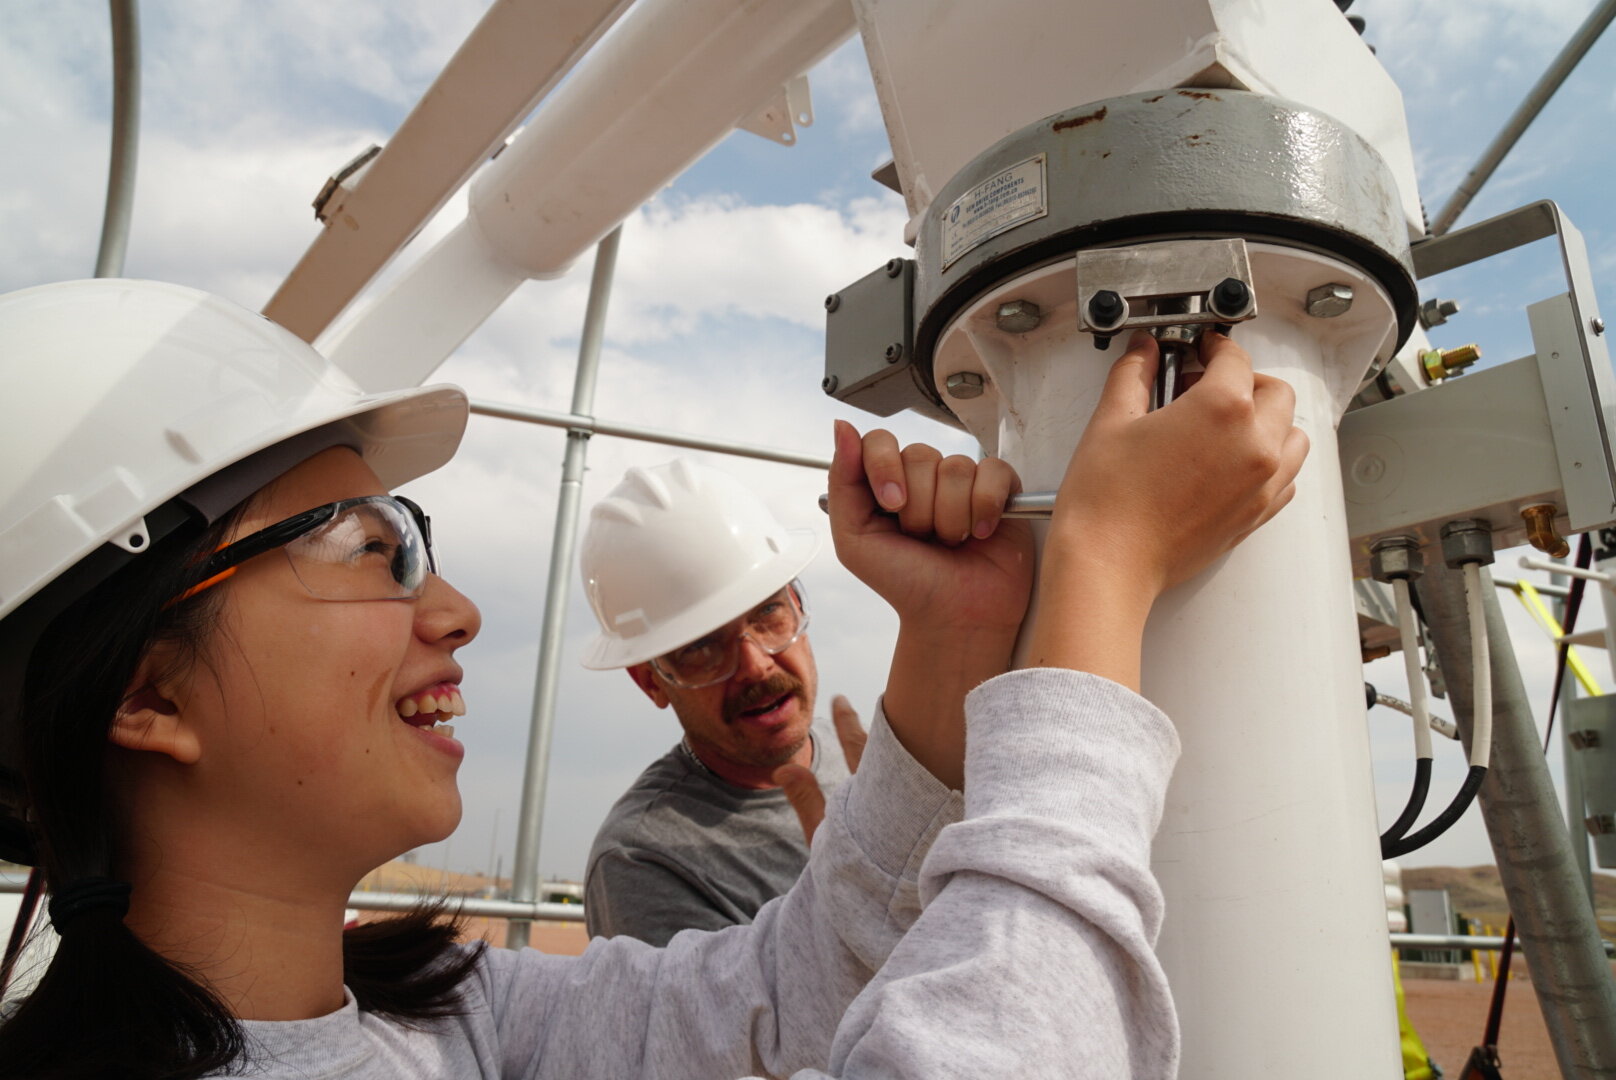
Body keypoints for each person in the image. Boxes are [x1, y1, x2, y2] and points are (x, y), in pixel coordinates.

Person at [0, 278, 1304, 1079]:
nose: (453, 612)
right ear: (147, 696)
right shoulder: (620, 874)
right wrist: (1103, 575)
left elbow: (796, 985)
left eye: (423, 548)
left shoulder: (450, 1018)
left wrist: (962, 632)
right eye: (366, 549)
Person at [575, 458, 870, 945]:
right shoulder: (645, 860)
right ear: (650, 682)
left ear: (798, 606)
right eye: (700, 647)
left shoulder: (876, 766)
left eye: (768, 612)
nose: (755, 665)